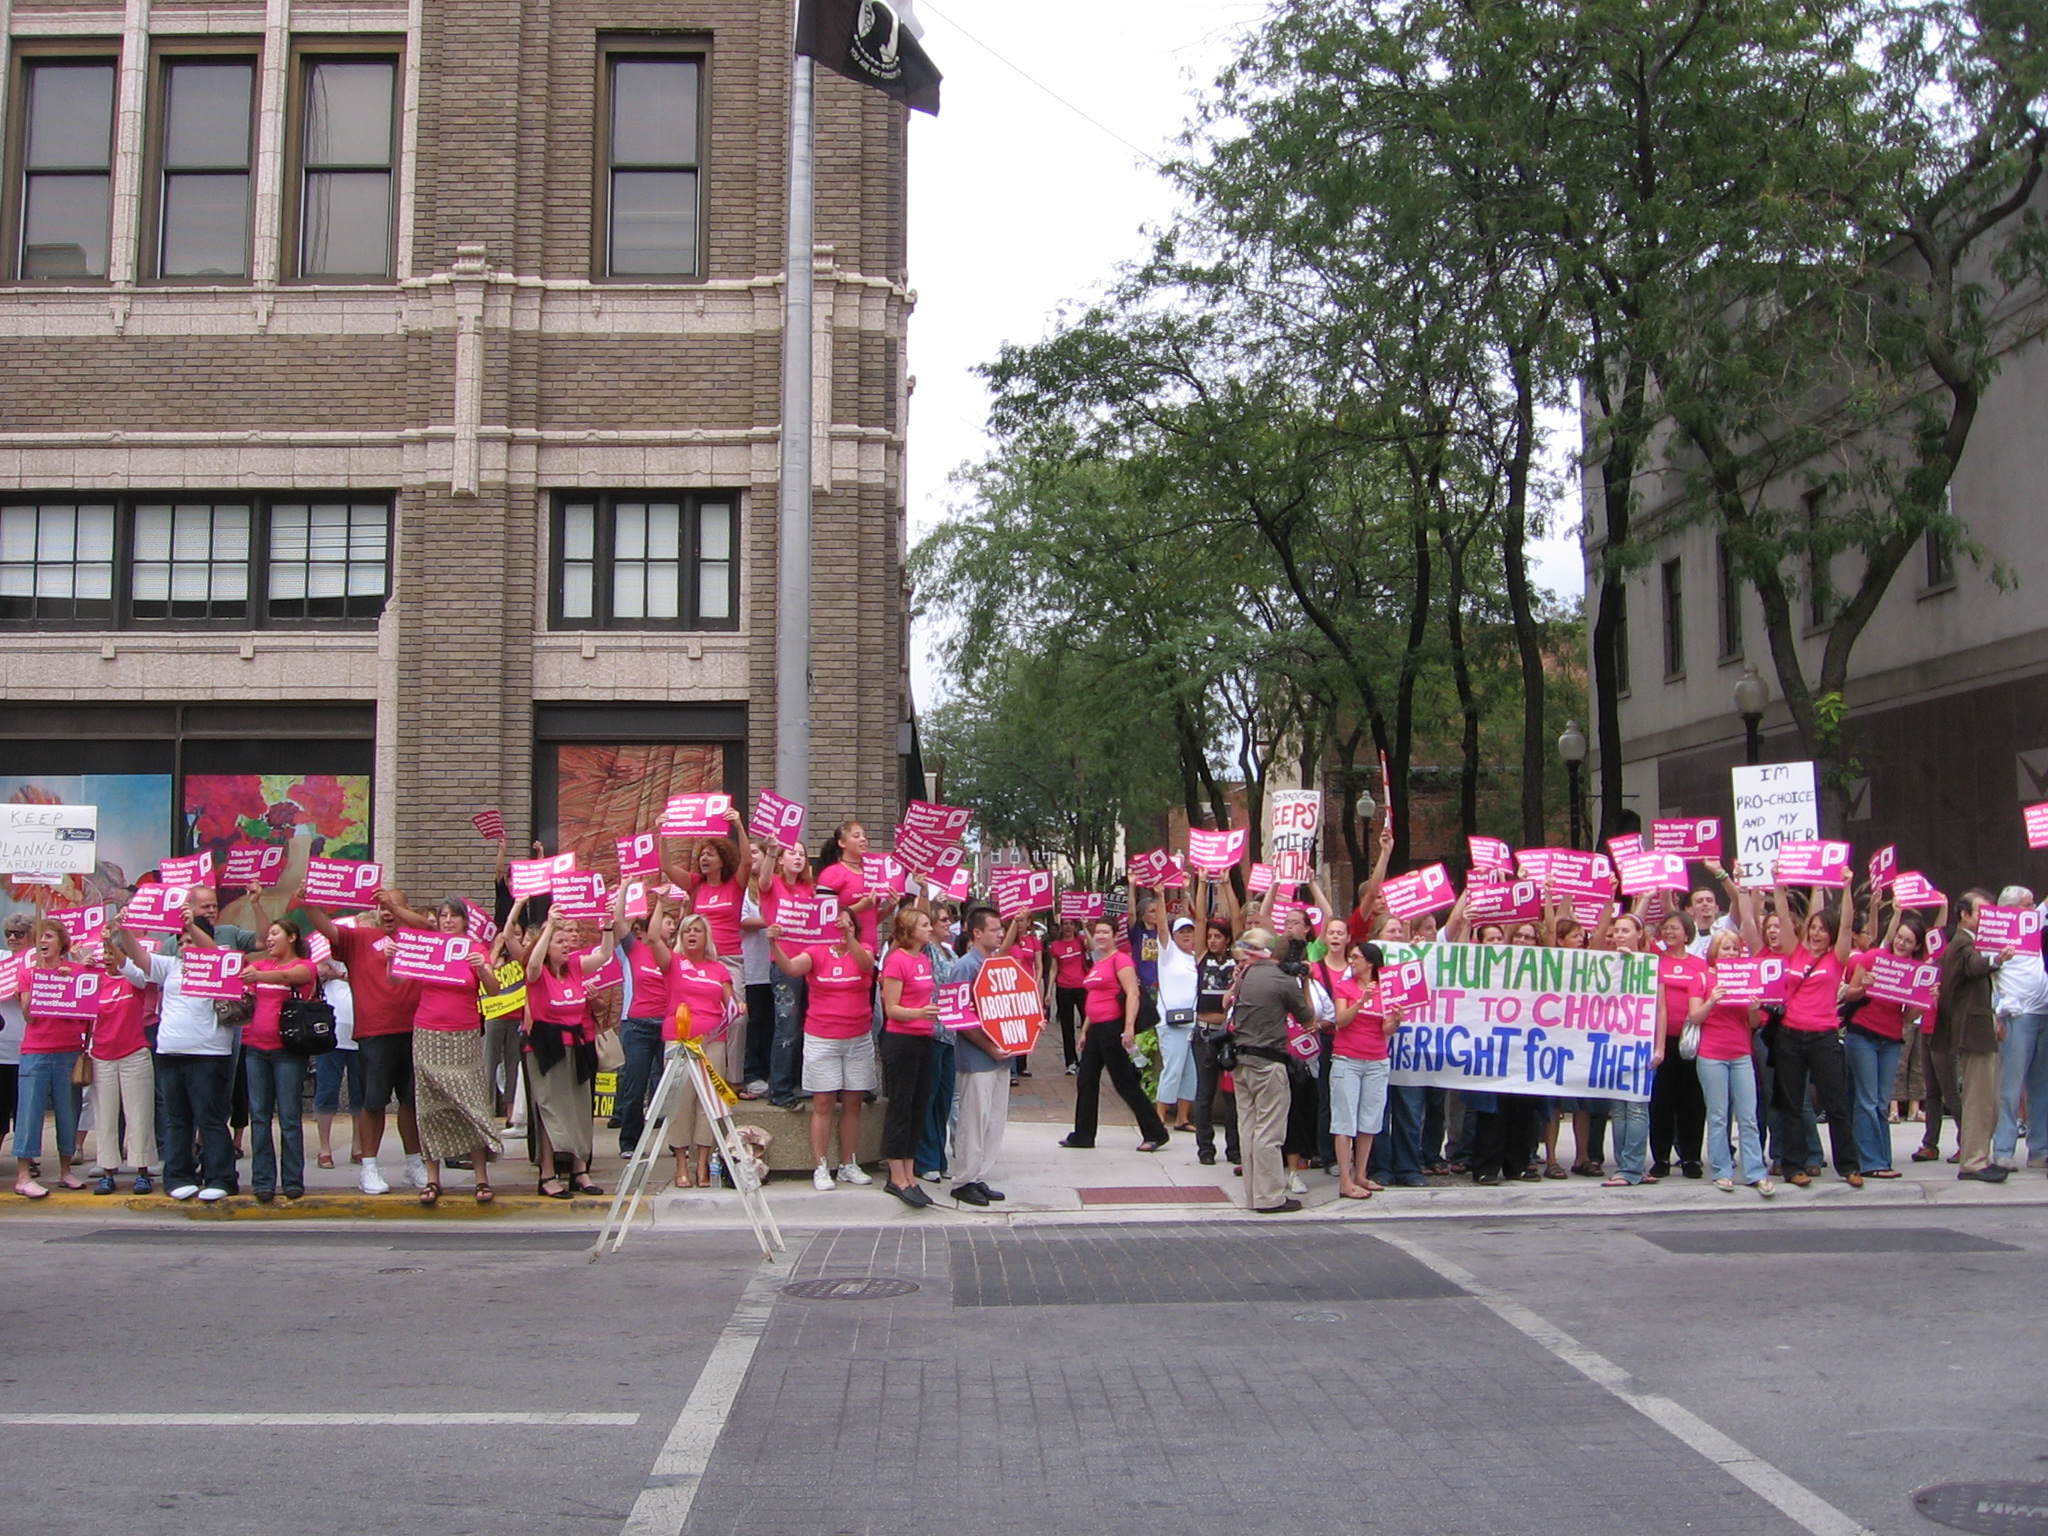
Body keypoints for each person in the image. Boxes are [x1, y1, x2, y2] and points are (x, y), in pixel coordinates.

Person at [380, 895, 506, 1205]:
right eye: (444, 916)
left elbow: (494, 991)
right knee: (429, 1106)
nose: (448, 921)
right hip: (427, 1033)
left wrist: (484, 969)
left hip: (463, 1034)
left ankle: (481, 1178)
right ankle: (433, 1178)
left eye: (454, 916)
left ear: (465, 921)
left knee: (471, 1101)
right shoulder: (428, 947)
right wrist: (391, 957)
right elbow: (395, 980)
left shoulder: (474, 950)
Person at [304, 894, 427, 1196]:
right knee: (373, 1102)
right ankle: (369, 1167)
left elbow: (429, 926)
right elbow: (327, 929)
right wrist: (308, 901)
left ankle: (414, 1163)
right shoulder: (361, 937)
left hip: (415, 1029)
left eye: (394, 906)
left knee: (411, 1101)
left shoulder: (417, 937)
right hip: (375, 1032)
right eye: (382, 907)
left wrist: (397, 908)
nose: (387, 912)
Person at [111, 914, 238, 1202]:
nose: (184, 946)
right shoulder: (170, 966)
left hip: (208, 1053)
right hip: (170, 1052)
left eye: (190, 940)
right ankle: (179, 1175)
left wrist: (192, 924)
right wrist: (125, 929)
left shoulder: (219, 964)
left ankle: (221, 1177)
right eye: (181, 941)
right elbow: (140, 958)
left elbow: (211, 951)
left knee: (210, 1118)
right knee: (177, 1120)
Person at [769, 907, 878, 1194]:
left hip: (857, 1037)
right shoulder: (816, 952)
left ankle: (848, 1163)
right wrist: (774, 944)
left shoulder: (863, 948)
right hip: (822, 1037)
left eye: (845, 922)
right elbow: (790, 968)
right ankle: (821, 1166)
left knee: (853, 1103)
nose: (839, 927)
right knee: (823, 1104)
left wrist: (850, 938)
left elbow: (866, 965)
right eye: (835, 923)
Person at [1769, 887, 1864, 1189]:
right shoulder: (1794, 950)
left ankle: (1848, 1165)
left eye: (1823, 929)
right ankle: (1793, 1165)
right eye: (1813, 927)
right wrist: (1778, 886)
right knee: (1792, 1104)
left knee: (1835, 1104)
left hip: (1824, 1036)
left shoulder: (1838, 957)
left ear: (1832, 934)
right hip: (1790, 1035)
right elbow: (1783, 918)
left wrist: (1847, 887)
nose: (1816, 933)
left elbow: (1848, 923)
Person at [521, 906, 616, 1198]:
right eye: (559, 942)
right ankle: (547, 1175)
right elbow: (534, 964)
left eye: (567, 941)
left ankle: (579, 1171)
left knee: (577, 1111)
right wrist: (549, 926)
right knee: (551, 1110)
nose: (566, 946)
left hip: (576, 1047)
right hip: (546, 1049)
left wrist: (608, 926)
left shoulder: (575, 968)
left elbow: (604, 956)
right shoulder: (537, 974)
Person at [1060, 917, 1169, 1152]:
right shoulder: (1099, 962)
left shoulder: (1121, 961)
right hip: (1096, 1030)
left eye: (1105, 932)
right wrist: (1085, 1031)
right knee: (1086, 1079)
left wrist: (1128, 1028)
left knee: (1124, 1083)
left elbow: (1132, 994)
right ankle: (1083, 1134)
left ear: (1114, 935)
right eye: (1097, 932)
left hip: (1112, 1028)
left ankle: (1155, 1132)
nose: (1100, 936)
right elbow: (1093, 999)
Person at [1841, 900, 1932, 1180]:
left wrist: (1926, 998)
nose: (1902, 944)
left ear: (1917, 946)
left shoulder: (1914, 971)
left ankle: (1880, 1157)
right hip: (1862, 1035)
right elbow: (1849, 994)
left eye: (1909, 941)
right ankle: (1871, 1162)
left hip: (1891, 1039)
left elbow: (1908, 1017)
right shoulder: (1872, 957)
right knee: (1867, 1100)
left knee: (1882, 1101)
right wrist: (1864, 985)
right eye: (1900, 938)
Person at [1226, 927, 1312, 1213]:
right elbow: (1307, 1017)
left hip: (1241, 1061)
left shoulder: (1246, 975)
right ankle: (1270, 1197)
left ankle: (1253, 1194)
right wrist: (1304, 982)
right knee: (1269, 1132)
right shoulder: (1283, 980)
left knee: (1247, 1129)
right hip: (1268, 1063)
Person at [651, 909, 736, 1189]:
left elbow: (731, 1002)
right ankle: (680, 1165)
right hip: (680, 1040)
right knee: (680, 1102)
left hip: (713, 1041)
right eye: (687, 930)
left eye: (697, 930)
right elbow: (652, 937)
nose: (691, 934)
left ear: (706, 937)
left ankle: (702, 1164)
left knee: (708, 1104)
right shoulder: (673, 962)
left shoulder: (718, 969)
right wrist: (661, 901)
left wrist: (739, 1007)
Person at [945, 905, 1019, 1207]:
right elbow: (957, 1016)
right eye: (994, 929)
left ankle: (978, 1175)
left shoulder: (995, 964)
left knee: (992, 1120)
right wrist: (990, 1047)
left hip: (1000, 1055)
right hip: (978, 1058)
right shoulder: (966, 966)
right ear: (976, 933)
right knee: (973, 1120)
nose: (1000, 933)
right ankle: (963, 1179)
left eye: (1000, 928)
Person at [1938, 889, 2013, 1184]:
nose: (1986, 918)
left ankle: (1978, 1156)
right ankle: (1973, 1161)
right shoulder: (1961, 943)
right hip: (1972, 1032)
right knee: (1978, 1098)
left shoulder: (1971, 944)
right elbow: (1974, 966)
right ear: (1964, 915)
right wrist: (1998, 958)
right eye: (1981, 912)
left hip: (1981, 1027)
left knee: (1987, 1099)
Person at [242, 920, 318, 1203]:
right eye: (269, 933)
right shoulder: (260, 967)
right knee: (259, 1118)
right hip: (255, 1050)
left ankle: (292, 1180)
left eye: (275, 933)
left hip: (287, 1052)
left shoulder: (303, 966)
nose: (269, 939)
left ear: (292, 937)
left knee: (288, 1118)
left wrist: (259, 978)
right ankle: (263, 1180)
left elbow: (292, 976)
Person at [1694, 928, 1774, 1195]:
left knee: (1748, 1116)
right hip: (1712, 1054)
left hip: (1741, 1053)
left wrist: (1753, 1010)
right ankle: (1721, 1170)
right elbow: (1695, 1017)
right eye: (1725, 948)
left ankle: (1754, 1171)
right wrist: (1712, 1000)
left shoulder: (1746, 978)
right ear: (1714, 952)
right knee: (1718, 1116)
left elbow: (1752, 1024)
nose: (1730, 953)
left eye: (1735, 949)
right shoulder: (1702, 978)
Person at [13, 919, 89, 1197]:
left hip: (68, 1049)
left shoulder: (76, 972)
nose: (42, 942)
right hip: (36, 1051)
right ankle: (24, 1174)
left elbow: (86, 1012)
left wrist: (72, 979)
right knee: (30, 1111)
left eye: (48, 936)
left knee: (68, 1111)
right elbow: (28, 1014)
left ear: (61, 943)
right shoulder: (28, 974)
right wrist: (42, 984)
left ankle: (65, 1170)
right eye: (39, 938)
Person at [878, 905, 942, 1207]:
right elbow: (891, 1008)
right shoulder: (897, 961)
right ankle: (895, 1174)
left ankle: (910, 1169)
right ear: (910, 929)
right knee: (901, 1105)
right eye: (925, 924)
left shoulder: (923, 960)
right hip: (901, 1040)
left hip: (924, 1039)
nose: (930, 929)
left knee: (919, 1105)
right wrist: (919, 1012)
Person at [1329, 941, 1399, 1200]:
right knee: (1344, 1121)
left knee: (1369, 1120)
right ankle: (1345, 1180)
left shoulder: (1386, 990)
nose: (1351, 961)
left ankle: (1361, 1173)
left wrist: (1397, 1020)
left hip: (1377, 1059)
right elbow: (1340, 1020)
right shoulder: (1344, 987)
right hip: (1348, 1059)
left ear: (1370, 962)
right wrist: (1361, 1001)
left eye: (1356, 957)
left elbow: (1385, 1029)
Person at [612, 893, 680, 1157]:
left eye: (673, 923)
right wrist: (627, 886)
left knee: (673, 1086)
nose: (671, 926)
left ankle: (678, 1141)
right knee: (635, 1084)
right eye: (665, 921)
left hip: (667, 1026)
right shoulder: (636, 949)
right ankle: (630, 1142)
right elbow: (618, 921)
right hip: (638, 1027)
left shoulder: (675, 955)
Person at [87, 934, 154, 1195]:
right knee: (105, 1117)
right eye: (104, 952)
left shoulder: (135, 979)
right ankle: (107, 1171)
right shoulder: (94, 982)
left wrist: (119, 942)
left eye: (111, 953)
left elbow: (137, 974)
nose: (106, 958)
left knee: (139, 1114)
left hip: (134, 1054)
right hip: (101, 1057)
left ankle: (142, 1170)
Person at [1990, 885, 2048, 1172]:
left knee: (2041, 1086)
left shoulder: (2035, 927)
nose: (2033, 909)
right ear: (2011, 908)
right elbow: (1988, 976)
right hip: (2016, 1015)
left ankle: (2039, 1149)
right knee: (2011, 1088)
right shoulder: (1996, 934)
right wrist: (1997, 1013)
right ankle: (2003, 1149)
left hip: (2043, 1013)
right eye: (2028, 904)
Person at [1600, 914, 1659, 1189]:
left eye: (1626, 930)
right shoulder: (1603, 965)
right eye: (1617, 931)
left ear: (1639, 934)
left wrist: (1659, 1046)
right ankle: (1625, 1163)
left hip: (1641, 1045)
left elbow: (1661, 1008)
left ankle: (1632, 1167)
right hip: (1612, 1045)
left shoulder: (1650, 964)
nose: (1620, 935)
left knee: (1636, 1108)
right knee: (1619, 1109)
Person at [1650, 911, 1709, 1178]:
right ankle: (1660, 1157)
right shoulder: (1654, 960)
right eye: (1665, 928)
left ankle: (1691, 1158)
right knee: (1661, 1101)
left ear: (1687, 934)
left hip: (1691, 1041)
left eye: (1675, 928)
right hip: (1661, 1041)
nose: (1669, 932)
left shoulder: (1699, 965)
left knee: (1692, 1101)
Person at [759, 839, 815, 1110]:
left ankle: (795, 1081)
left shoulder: (809, 889)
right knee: (787, 1027)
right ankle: (779, 1088)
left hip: (809, 964)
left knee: (805, 1025)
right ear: (781, 859)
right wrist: (771, 851)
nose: (798, 857)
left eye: (802, 853)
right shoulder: (774, 886)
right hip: (784, 965)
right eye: (792, 853)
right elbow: (764, 880)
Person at [665, 804, 753, 956]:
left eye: (710, 855)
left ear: (723, 861)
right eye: (702, 855)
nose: (704, 858)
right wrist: (662, 834)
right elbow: (667, 867)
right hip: (701, 958)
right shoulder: (696, 884)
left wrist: (739, 827)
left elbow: (747, 862)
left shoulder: (735, 884)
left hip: (729, 957)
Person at [1191, 916, 1240, 1170]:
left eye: (1218, 936)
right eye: (1210, 936)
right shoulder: (1202, 957)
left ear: (1228, 939)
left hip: (1229, 1034)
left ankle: (1235, 1147)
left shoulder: (1237, 960)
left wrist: (1225, 883)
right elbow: (1200, 920)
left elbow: (1238, 919)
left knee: (1232, 1094)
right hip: (1206, 1034)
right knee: (1205, 1093)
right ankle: (1206, 1147)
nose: (1212, 940)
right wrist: (1201, 886)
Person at [310, 953, 362, 1170]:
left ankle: (358, 1146)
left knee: (360, 1093)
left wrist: (340, 974)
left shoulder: (362, 958)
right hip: (331, 1034)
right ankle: (325, 1147)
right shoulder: (324, 957)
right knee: (327, 1090)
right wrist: (321, 970)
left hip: (360, 1032)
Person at [1154, 916, 1202, 1133]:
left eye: (1189, 931)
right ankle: (1158, 1117)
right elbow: (1162, 927)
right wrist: (1160, 894)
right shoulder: (1168, 953)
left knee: (1190, 1073)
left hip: (1191, 1024)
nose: (1186, 935)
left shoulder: (1195, 958)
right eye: (1181, 931)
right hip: (1170, 1023)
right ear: (1173, 935)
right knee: (1172, 1070)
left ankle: (1182, 1118)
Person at [1048, 919, 1089, 1074]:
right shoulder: (1056, 945)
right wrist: (1048, 991)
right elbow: (1053, 968)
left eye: (1071, 924)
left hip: (1082, 987)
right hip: (1063, 988)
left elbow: (1092, 947)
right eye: (1065, 924)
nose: (1068, 927)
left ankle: (1087, 1059)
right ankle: (1071, 1062)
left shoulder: (1081, 941)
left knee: (1087, 1024)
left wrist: (1085, 927)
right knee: (1067, 1026)